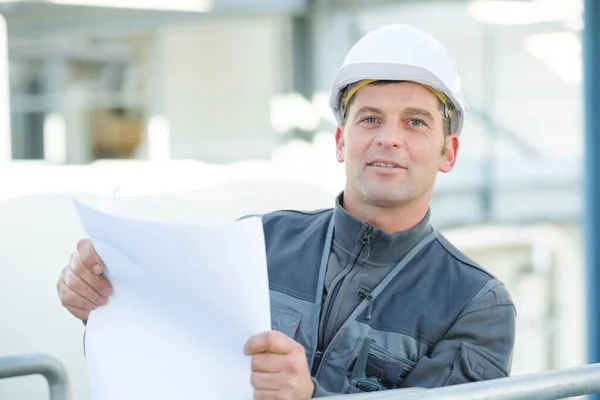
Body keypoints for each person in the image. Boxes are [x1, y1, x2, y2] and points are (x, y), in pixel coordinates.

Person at [57, 24, 516, 399]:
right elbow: (169, 336)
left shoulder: (477, 306)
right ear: (341, 142)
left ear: (448, 152)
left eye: (415, 122)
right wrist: (101, 296)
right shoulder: (257, 241)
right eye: (369, 118)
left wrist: (310, 397)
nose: (388, 138)